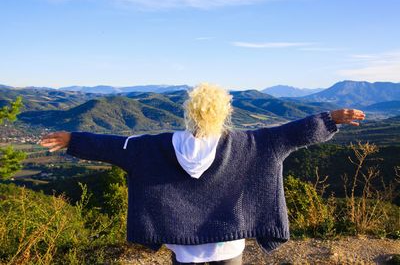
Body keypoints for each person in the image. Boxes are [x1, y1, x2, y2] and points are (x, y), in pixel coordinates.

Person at [40, 83, 365, 265]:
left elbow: (112, 147)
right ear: (225, 113)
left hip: (184, 251)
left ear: (188, 113)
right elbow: (291, 133)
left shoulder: (153, 147)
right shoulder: (251, 144)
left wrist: (73, 140)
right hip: (229, 249)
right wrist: (332, 118)